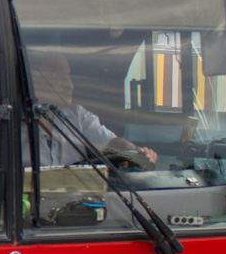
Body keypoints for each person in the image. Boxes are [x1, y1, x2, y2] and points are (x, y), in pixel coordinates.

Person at [28, 51, 156, 168]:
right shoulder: (13, 120)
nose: (70, 85)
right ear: (34, 82)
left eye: (68, 77)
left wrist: (136, 152)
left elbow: (112, 143)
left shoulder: (77, 115)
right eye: (59, 78)